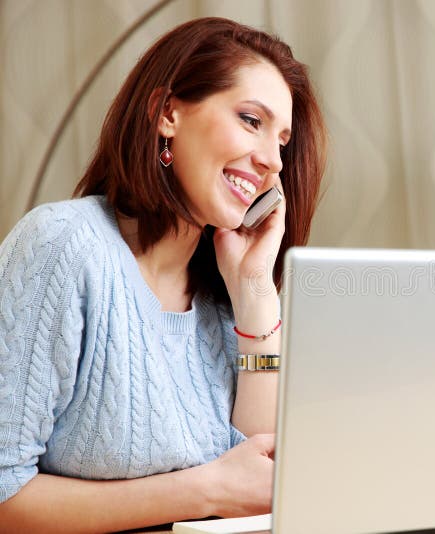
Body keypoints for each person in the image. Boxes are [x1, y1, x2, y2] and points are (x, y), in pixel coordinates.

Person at [0, 17, 326, 531]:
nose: (272, 161)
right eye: (250, 120)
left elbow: (260, 488)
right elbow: (4, 494)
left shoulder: (227, 294)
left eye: (282, 141)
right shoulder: (64, 245)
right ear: (166, 113)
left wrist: (256, 294)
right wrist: (203, 490)